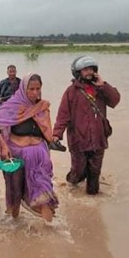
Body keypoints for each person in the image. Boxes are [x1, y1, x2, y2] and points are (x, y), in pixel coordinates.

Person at [0, 73, 58, 224]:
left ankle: (50, 230)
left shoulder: (42, 107)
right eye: (31, 89)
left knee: (44, 191)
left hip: (39, 156)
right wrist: (3, 145)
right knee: (16, 190)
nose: (35, 93)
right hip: (17, 154)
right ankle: (14, 223)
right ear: (23, 89)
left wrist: (54, 140)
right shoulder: (12, 106)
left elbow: (47, 132)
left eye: (38, 89)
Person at [52, 56, 120, 195]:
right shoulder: (71, 91)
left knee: (94, 174)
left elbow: (115, 101)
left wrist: (103, 85)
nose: (89, 72)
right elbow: (63, 115)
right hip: (78, 140)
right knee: (79, 171)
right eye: (85, 69)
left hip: (98, 140)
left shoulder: (101, 89)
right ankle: (71, 185)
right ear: (78, 72)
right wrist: (56, 134)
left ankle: (92, 204)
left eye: (91, 69)